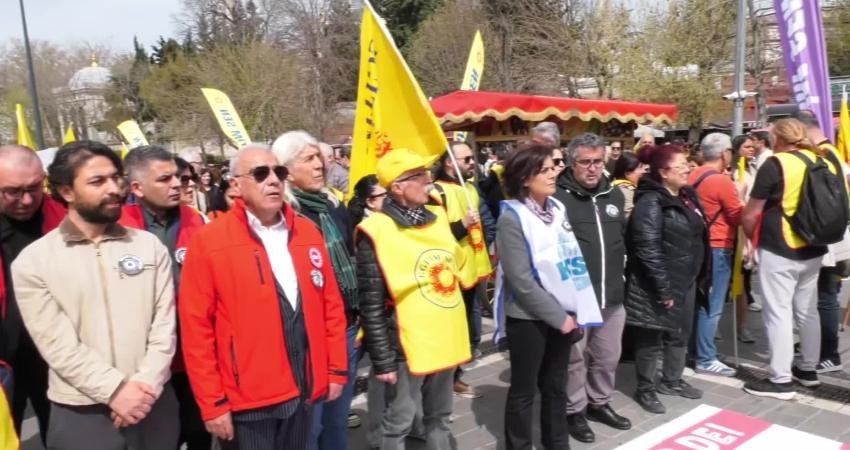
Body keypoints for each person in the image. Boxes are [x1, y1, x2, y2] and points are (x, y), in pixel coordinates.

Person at [179, 144, 348, 449]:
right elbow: (196, 330)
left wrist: (334, 369)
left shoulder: (307, 232)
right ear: (235, 185)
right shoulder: (209, 241)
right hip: (247, 400)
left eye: (279, 172)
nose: (273, 180)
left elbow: (331, 307)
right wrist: (212, 402)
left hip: (304, 388)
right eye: (260, 173)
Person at [12, 140, 179, 449]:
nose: (114, 188)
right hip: (81, 413)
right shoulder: (34, 261)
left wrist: (146, 384)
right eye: (97, 181)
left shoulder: (148, 247)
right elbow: (56, 344)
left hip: (152, 402)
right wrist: (115, 391)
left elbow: (164, 324)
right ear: (67, 191)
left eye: (115, 177)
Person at [357, 148, 470, 449]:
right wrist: (383, 361)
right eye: (418, 175)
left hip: (445, 335)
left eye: (426, 172)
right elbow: (371, 305)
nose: (428, 180)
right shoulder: (375, 230)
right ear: (397, 186)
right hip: (406, 345)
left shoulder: (438, 218)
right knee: (398, 422)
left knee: (440, 416)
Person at [495, 145, 596, 449]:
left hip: (564, 312)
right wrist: (559, 317)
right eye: (544, 170)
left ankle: (557, 443)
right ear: (525, 178)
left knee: (555, 386)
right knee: (524, 391)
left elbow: (570, 259)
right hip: (529, 317)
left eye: (554, 167)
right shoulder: (512, 217)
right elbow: (521, 281)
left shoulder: (557, 208)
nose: (553, 174)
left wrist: (577, 305)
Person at [741, 118, 845, 399]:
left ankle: (781, 379)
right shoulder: (820, 158)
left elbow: (752, 212)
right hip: (814, 246)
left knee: (778, 312)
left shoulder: (776, 164)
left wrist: (750, 238)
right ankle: (808, 369)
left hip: (780, 246)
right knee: (807, 310)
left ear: (779, 138)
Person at [271, 131, 359, 450]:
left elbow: (350, 256)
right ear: (286, 170)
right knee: (309, 425)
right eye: (308, 159)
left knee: (337, 419)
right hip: (306, 335)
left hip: (344, 327)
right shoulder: (281, 216)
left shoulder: (332, 206)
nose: (320, 165)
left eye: (318, 157)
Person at [119, 145, 210, 449]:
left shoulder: (196, 220)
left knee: (199, 432)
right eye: (164, 179)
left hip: (194, 356)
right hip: (144, 362)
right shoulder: (117, 227)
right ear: (137, 187)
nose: (176, 184)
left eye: (178, 177)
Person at [553, 133, 631, 443]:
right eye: (585, 162)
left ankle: (599, 402)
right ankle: (574, 410)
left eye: (598, 161)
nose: (593, 168)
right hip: (576, 297)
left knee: (608, 356)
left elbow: (622, 239)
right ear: (572, 163)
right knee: (574, 359)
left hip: (611, 294)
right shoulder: (558, 198)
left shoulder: (614, 194)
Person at [625, 144, 708, 414]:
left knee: (680, 332)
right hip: (658, 282)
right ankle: (645, 388)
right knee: (651, 338)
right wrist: (662, 287)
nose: (687, 169)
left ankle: (672, 380)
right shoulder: (650, 202)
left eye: (687, 164)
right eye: (680, 165)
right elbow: (647, 248)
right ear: (663, 172)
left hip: (686, 278)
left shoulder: (686, 195)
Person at [0, 145, 65, 442]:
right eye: (12, 192)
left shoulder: (67, 220)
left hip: (57, 356)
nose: (26, 200)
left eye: (34, 188)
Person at [432, 142, 495, 399]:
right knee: (453, 329)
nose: (472, 163)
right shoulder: (436, 192)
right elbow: (436, 235)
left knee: (468, 326)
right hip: (452, 273)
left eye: (472, 158)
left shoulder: (470, 187)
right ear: (450, 163)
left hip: (473, 268)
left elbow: (485, 222)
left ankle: (455, 374)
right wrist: (462, 224)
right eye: (466, 159)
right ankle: (447, 380)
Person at [795, 111, 849, 374]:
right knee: (825, 295)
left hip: (828, 238)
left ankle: (829, 354)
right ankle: (817, 346)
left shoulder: (823, 154)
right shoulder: (832, 152)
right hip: (836, 235)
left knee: (825, 297)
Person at [688, 133, 742, 377]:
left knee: (700, 302)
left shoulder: (693, 175)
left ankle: (697, 351)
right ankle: (706, 358)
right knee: (712, 305)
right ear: (723, 153)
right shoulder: (721, 181)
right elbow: (737, 216)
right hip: (718, 246)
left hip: (698, 245)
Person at [731, 135, 758, 343]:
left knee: (744, 281)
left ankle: (742, 326)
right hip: (735, 231)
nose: (751, 149)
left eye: (752, 146)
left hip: (750, 229)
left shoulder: (753, 169)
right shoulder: (732, 173)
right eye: (747, 146)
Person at [611, 152, 646, 219]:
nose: (643, 171)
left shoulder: (615, 186)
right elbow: (629, 218)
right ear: (627, 173)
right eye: (639, 168)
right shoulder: (625, 190)